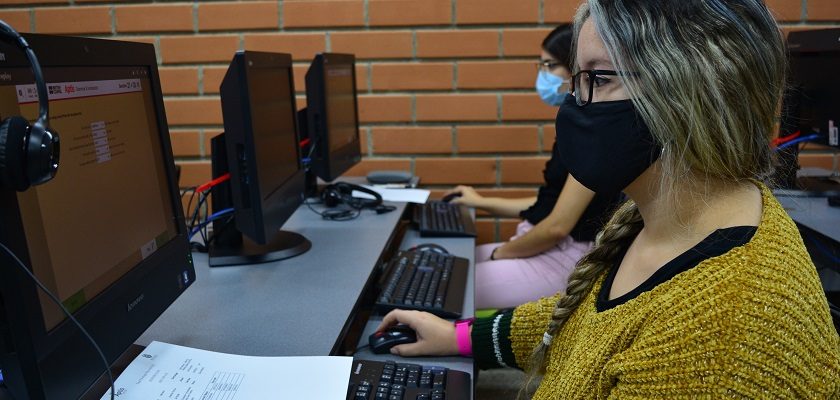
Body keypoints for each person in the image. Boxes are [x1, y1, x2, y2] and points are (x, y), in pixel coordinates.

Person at [378, 0, 840, 397]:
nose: (576, 104)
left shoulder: (717, 342)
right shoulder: (675, 219)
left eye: (597, 79)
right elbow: (587, 325)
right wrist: (460, 337)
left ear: (691, 92)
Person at [446, 25, 620, 309]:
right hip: (543, 247)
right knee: (444, 265)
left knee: (446, 287)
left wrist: (502, 253)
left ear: (577, 69)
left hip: (562, 258)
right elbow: (550, 206)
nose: (543, 75)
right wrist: (480, 202)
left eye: (550, 65)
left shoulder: (596, 136)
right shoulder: (576, 125)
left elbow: (557, 226)